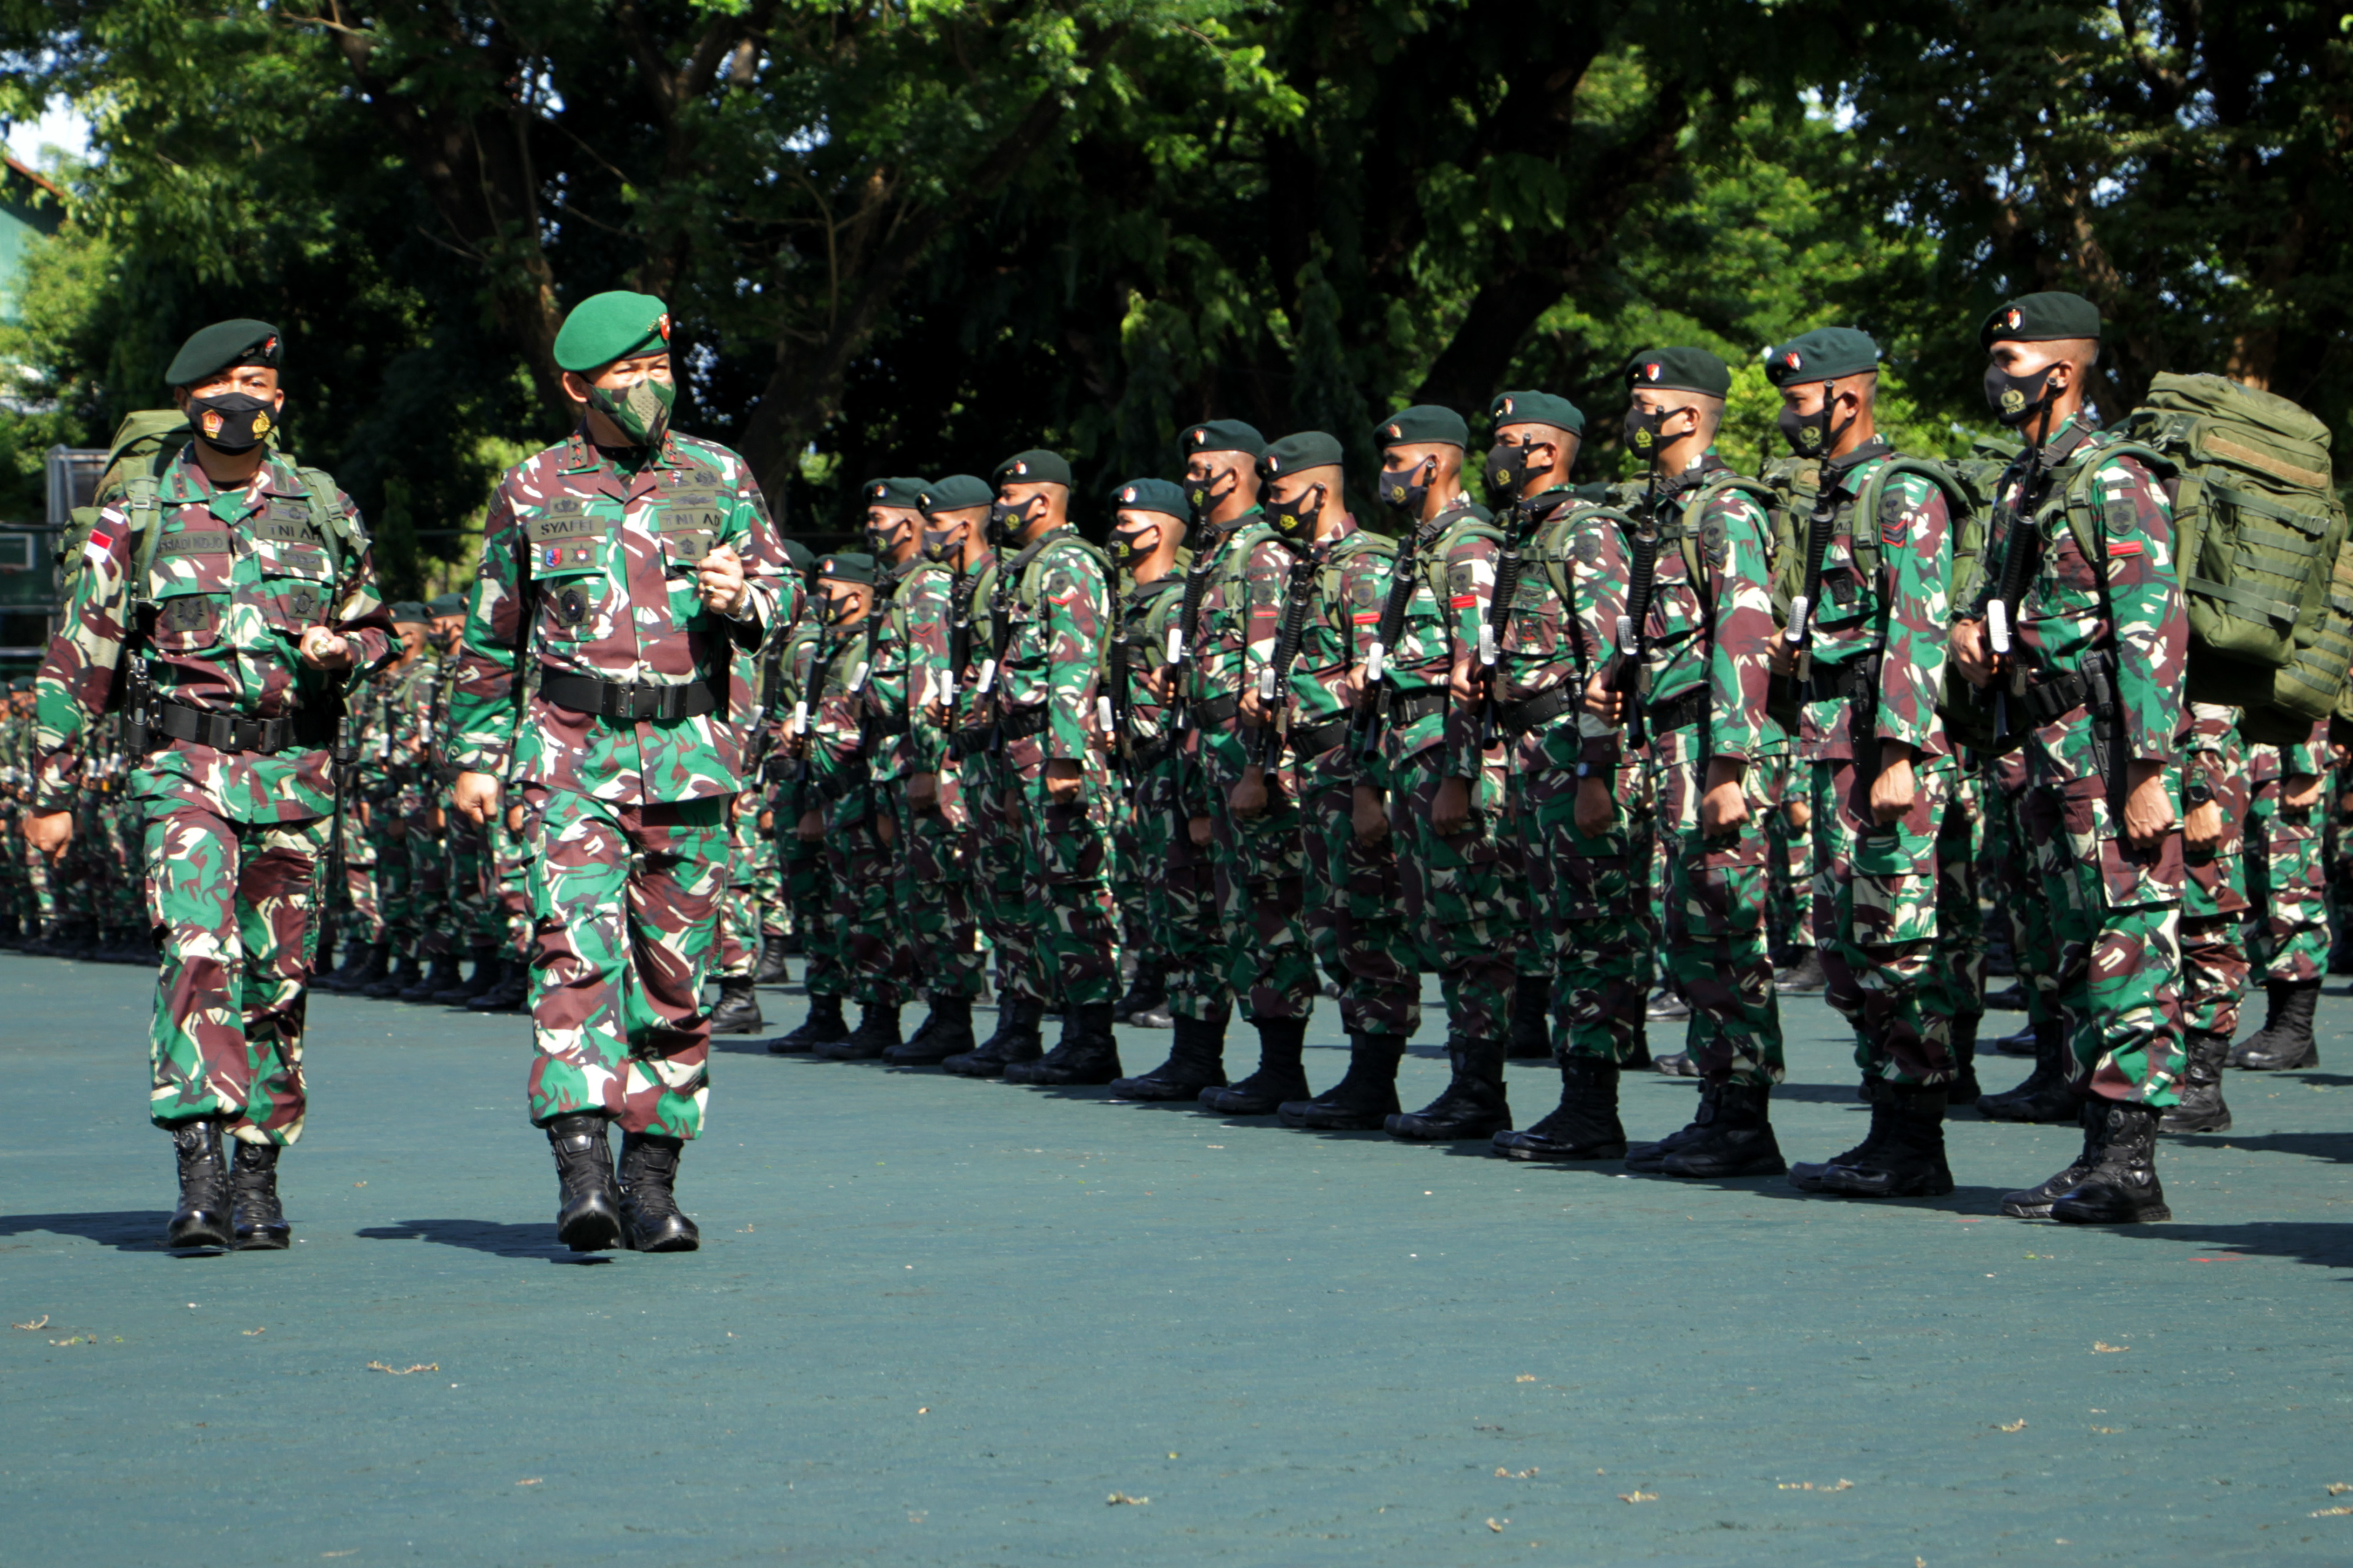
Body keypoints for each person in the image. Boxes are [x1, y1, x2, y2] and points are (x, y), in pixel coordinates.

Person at [25, 316, 394, 1250]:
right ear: (191, 399)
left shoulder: (320, 505)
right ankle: (198, 1166)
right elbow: (80, 658)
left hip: (292, 774)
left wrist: (342, 648)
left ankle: (258, 1169)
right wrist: (48, 788)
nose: (245, 402)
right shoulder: (138, 514)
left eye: (261, 388)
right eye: (227, 385)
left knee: (278, 976)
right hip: (182, 771)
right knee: (196, 950)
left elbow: (378, 625)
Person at [446, 289, 791, 1254]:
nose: (647, 388)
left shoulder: (718, 474)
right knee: (574, 962)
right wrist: (474, 757)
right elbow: (490, 641)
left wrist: (746, 594)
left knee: (672, 982)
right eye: (623, 375)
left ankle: (652, 1183)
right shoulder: (532, 489)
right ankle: (585, 1176)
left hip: (691, 762)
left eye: (657, 368)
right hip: (571, 762)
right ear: (576, 387)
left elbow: (784, 589)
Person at [1950, 291, 2186, 1226]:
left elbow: (2151, 635)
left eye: (2012, 361)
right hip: (2040, 746)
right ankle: (2097, 1150)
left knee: (2128, 939)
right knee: (2078, 946)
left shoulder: (2114, 477)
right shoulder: (2025, 480)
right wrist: (1973, 631)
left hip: (2103, 747)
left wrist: (2148, 771)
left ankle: (2130, 1162)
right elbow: (1995, 593)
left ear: (2065, 369)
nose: (1997, 377)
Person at [1759, 328, 1967, 1199]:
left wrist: (1900, 753)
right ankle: (1886, 1123)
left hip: (1884, 750)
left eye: (1800, 399)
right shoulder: (1830, 498)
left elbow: (1916, 626)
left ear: (1848, 397)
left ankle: (1916, 1140)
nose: (1789, 416)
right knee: (1851, 950)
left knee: (1900, 939)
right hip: (1834, 739)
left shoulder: (1900, 491)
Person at [1587, 348, 1789, 1178]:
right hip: (1672, 738)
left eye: (1647, 399)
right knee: (1693, 930)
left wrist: (1729, 768)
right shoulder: (1662, 512)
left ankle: (1744, 1119)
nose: (1635, 412)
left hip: (1714, 745)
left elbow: (1745, 637)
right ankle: (1719, 1106)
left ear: (1691, 413)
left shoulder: (1724, 508)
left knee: (1726, 922)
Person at [1473, 391, 1652, 1162]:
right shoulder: (1528, 533)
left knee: (1592, 932)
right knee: (1560, 930)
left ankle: (1591, 1107)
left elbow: (1606, 665)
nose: (1498, 454)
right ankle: (1578, 1098)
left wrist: (1595, 768)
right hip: (1533, 758)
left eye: (1510, 440)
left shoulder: (1585, 532)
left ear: (1546, 451)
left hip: (1574, 754)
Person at [1359, 406, 1531, 1142]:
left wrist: (1461, 775)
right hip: (1413, 751)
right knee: (1444, 925)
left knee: (1474, 928)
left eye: (1398, 462)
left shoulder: (1468, 548)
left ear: (1436, 464)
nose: (1387, 477)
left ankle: (1479, 1087)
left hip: (1450, 755)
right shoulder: (1421, 547)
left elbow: (1474, 672)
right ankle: (1467, 1081)